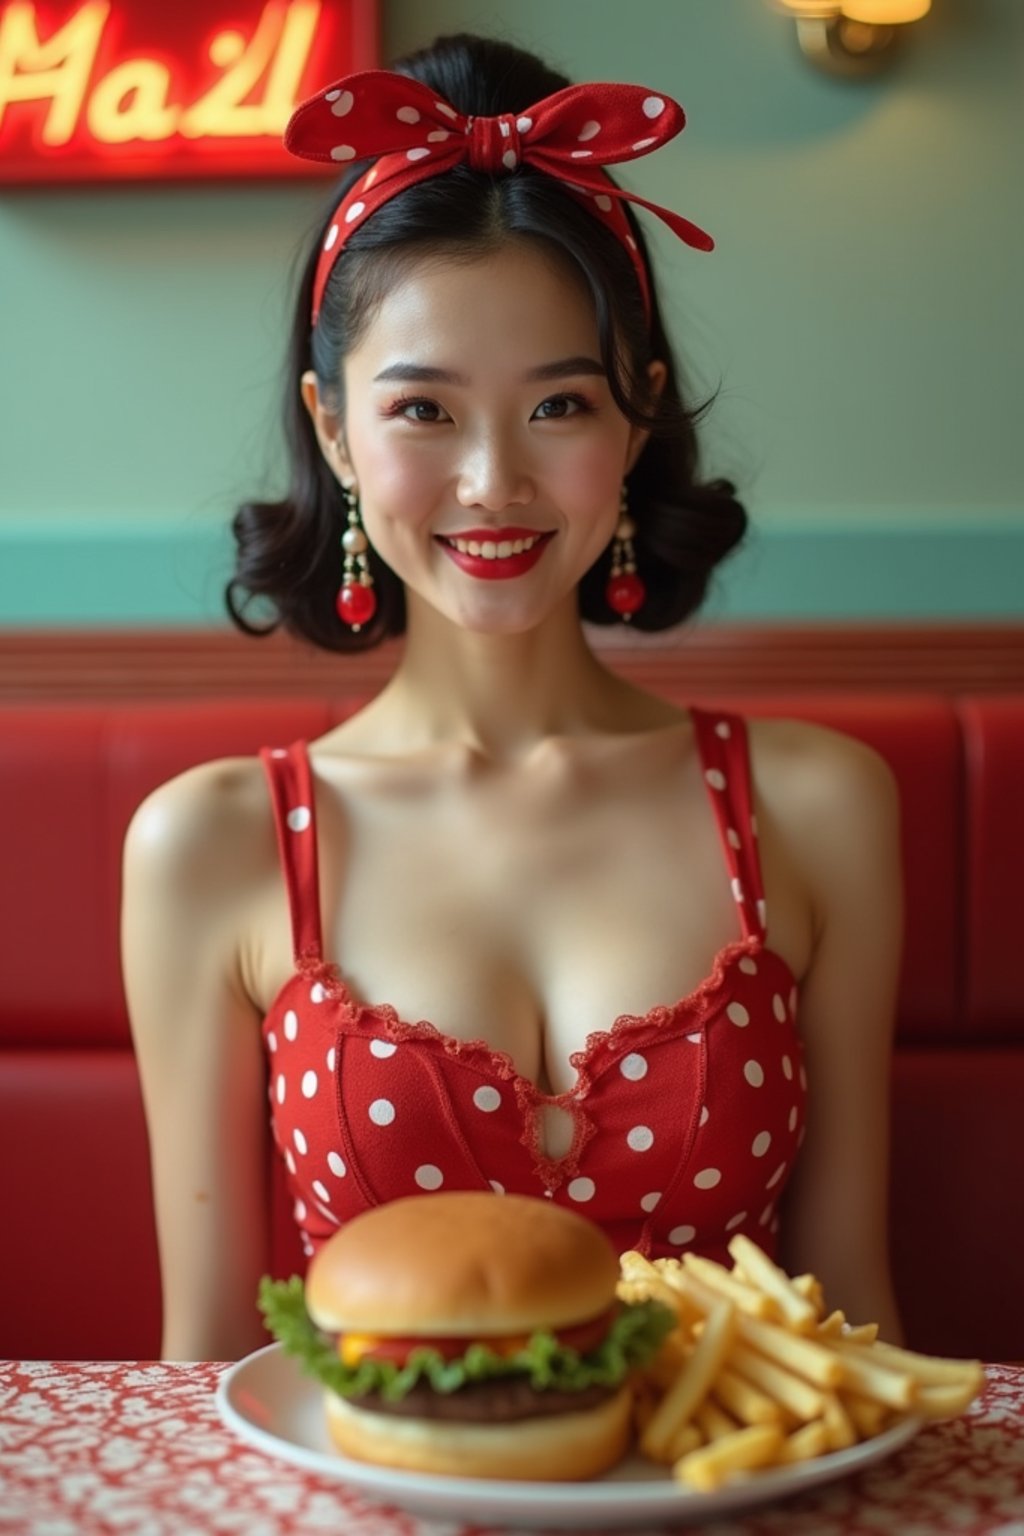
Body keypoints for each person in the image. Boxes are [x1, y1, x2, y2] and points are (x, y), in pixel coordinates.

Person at [122, 33, 904, 1363]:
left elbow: (860, 1318)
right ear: (332, 429)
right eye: (423, 411)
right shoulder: (210, 844)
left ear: (639, 416)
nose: (493, 482)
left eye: (560, 405)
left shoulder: (816, 806)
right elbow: (200, 1366)